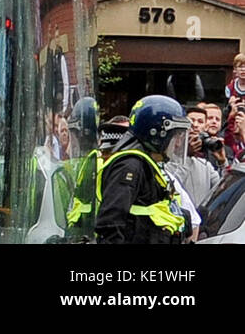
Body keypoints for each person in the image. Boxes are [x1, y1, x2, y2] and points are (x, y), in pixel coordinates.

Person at [95, 96, 190, 245]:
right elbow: (109, 224)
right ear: (157, 134)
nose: (177, 144)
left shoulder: (146, 165)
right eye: (175, 136)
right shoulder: (130, 166)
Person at [64, 97, 101, 240]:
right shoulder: (91, 161)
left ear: (81, 133)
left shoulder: (91, 165)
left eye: (72, 133)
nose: (70, 140)